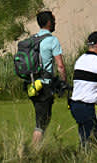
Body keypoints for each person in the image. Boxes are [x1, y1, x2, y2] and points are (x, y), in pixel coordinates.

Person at [28, 10, 68, 145]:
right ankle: (33, 153)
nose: (55, 23)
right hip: (44, 85)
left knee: (42, 118)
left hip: (32, 84)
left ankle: (37, 150)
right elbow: (60, 66)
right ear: (49, 23)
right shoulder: (52, 40)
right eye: (54, 21)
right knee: (41, 122)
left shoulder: (32, 39)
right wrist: (63, 82)